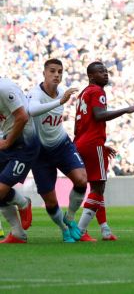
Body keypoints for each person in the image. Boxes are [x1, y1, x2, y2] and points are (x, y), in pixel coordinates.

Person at [73, 62, 134, 242]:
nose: (105, 74)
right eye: (100, 72)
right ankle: (79, 231)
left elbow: (81, 124)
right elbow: (99, 115)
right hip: (91, 142)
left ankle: (105, 229)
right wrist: (125, 110)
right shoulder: (97, 91)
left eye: (105, 71)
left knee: (97, 187)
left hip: (82, 142)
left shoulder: (84, 93)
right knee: (98, 187)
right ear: (91, 76)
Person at [26, 59, 86, 242]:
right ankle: (63, 228)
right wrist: (60, 101)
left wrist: (62, 99)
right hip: (39, 153)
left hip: (61, 145)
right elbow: (33, 110)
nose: (56, 75)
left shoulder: (63, 91)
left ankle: (70, 217)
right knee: (50, 201)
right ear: (44, 73)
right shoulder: (35, 93)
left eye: (60, 71)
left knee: (82, 180)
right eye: (52, 71)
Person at [0, 77, 38, 243]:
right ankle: (17, 234)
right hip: (8, 142)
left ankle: (23, 203)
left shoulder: (4, 88)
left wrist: (7, 141)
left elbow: (22, 117)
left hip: (25, 146)